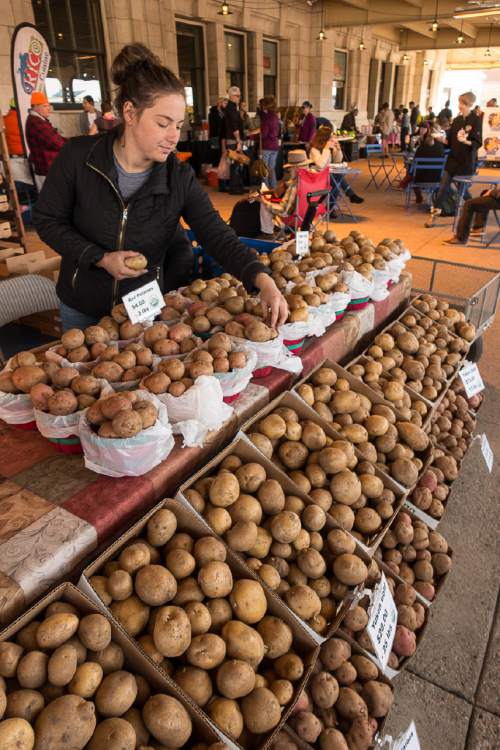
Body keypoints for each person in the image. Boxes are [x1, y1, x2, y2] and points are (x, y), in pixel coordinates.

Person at [32, 43, 287, 331]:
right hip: (82, 306)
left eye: (178, 126)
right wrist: (99, 258)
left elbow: (216, 234)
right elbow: (47, 220)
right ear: (130, 113)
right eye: (163, 123)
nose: (173, 137)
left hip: (143, 309)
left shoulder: (178, 177)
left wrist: (262, 279)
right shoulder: (80, 157)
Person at [426, 91, 483, 227]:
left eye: (463, 103)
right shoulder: (457, 120)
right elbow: (449, 141)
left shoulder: (476, 120)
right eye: (460, 103)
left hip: (465, 162)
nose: (460, 106)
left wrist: (465, 141)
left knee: (462, 191)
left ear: (469, 104)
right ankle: (433, 217)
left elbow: (477, 143)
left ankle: (478, 211)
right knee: (442, 189)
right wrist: (440, 138)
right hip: (452, 161)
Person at [309, 126, 363, 207]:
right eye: (330, 138)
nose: (332, 139)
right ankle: (348, 196)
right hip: (318, 177)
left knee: (337, 179)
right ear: (324, 139)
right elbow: (320, 165)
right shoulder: (314, 150)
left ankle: (333, 206)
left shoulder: (328, 148)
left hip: (328, 175)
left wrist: (338, 149)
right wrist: (326, 149)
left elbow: (338, 160)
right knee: (337, 180)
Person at [25, 91, 66, 192]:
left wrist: (74, 141)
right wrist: (73, 144)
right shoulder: (36, 122)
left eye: (49, 106)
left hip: (48, 168)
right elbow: (57, 143)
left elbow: (57, 138)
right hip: (46, 169)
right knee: (52, 201)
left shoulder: (40, 120)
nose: (49, 109)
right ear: (36, 107)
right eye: (45, 106)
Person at [400, 127, 445, 204]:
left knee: (412, 174)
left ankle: (419, 197)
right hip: (437, 178)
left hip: (420, 178)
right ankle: (435, 199)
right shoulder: (441, 148)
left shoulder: (421, 148)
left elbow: (414, 162)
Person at [223, 85, 246, 195]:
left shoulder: (233, 107)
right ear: (231, 96)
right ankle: (234, 188)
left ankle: (238, 186)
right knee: (235, 165)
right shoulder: (231, 108)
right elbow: (234, 126)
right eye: (237, 96)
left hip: (234, 139)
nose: (239, 98)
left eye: (239, 96)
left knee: (237, 164)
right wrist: (238, 141)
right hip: (233, 140)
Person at [260, 95, 281, 189]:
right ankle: (274, 188)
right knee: (272, 169)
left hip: (267, 145)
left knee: (264, 169)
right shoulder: (276, 116)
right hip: (275, 146)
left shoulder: (266, 117)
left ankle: (266, 189)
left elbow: (264, 134)